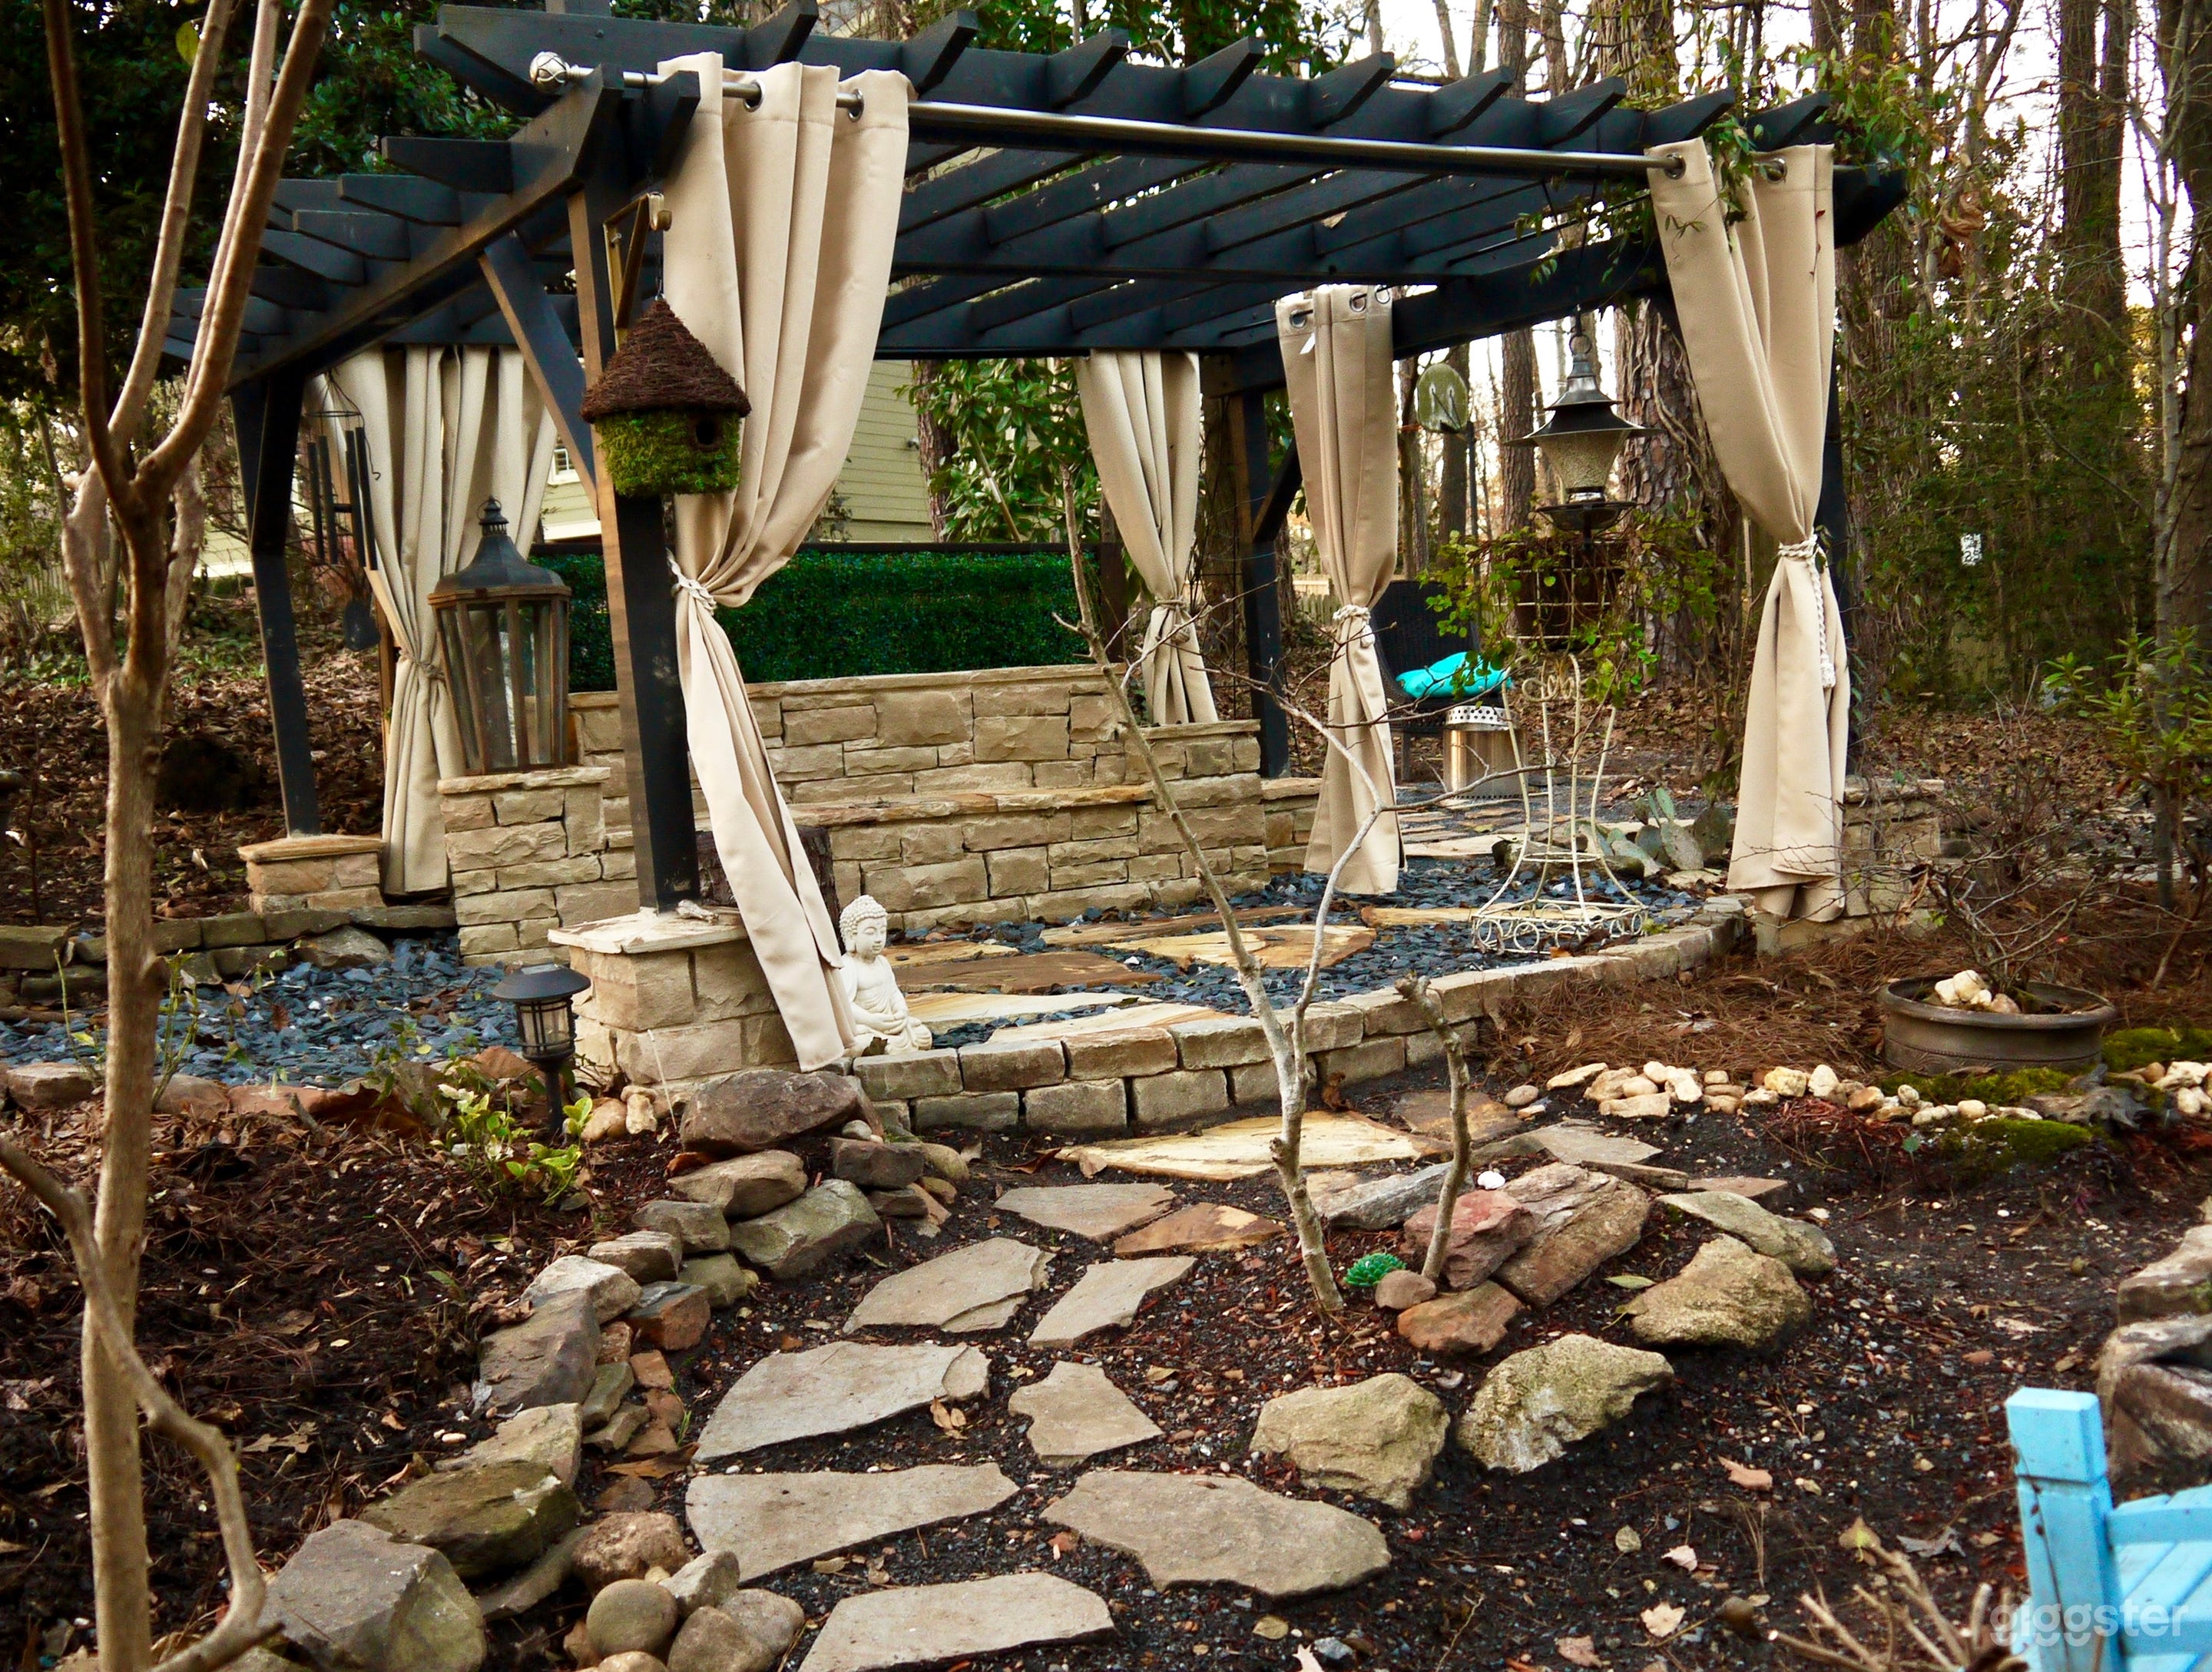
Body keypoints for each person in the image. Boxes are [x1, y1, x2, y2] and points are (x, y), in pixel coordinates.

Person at [836, 894, 933, 1055]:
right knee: (858, 1043)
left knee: (923, 1035)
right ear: (852, 936)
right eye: (870, 932)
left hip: (890, 1025)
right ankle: (879, 1047)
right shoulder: (848, 966)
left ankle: (884, 1047)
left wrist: (901, 1011)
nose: (878, 939)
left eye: (882, 932)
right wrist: (871, 1020)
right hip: (867, 1026)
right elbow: (845, 1007)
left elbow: (894, 993)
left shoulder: (883, 963)